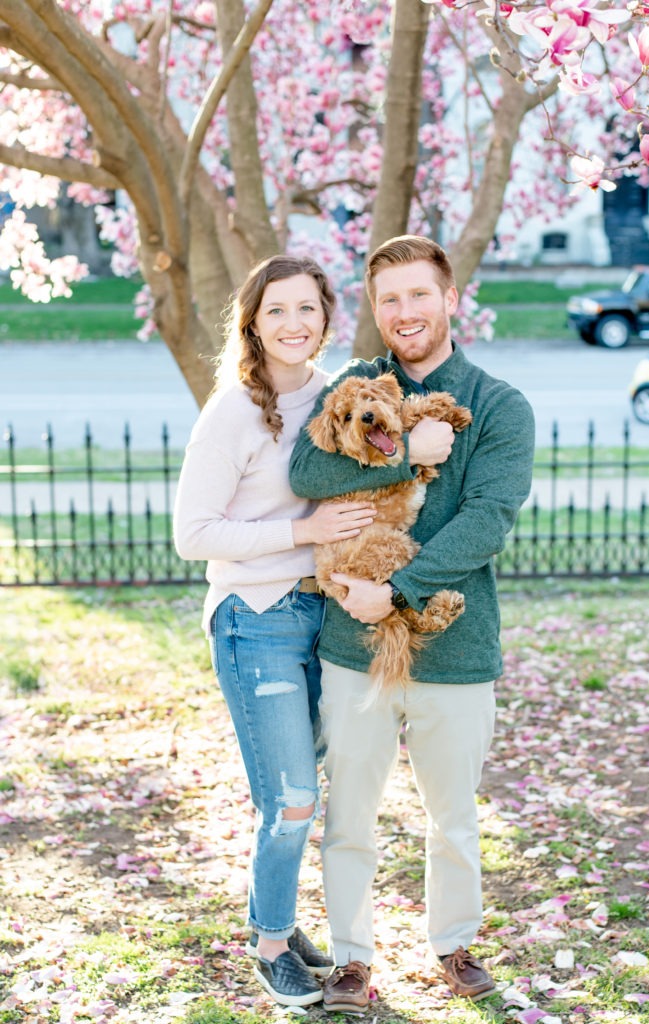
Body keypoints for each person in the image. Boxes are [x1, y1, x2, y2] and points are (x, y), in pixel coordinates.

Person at [289, 235, 535, 1012]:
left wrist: (394, 589)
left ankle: (454, 945)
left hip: (456, 647)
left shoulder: (499, 405)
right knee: (350, 812)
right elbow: (306, 471)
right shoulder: (357, 386)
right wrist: (404, 455)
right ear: (374, 308)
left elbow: (487, 520)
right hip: (351, 649)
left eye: (418, 295)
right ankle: (353, 960)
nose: (404, 313)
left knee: (452, 818)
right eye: (388, 299)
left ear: (450, 298)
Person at [173, 254, 376, 1008]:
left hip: (324, 614)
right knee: (291, 797)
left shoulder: (334, 397)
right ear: (253, 323)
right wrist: (304, 531)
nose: (295, 324)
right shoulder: (233, 411)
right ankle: (269, 948)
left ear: (327, 315)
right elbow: (194, 534)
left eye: (308, 309)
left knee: (303, 787)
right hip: (253, 619)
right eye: (277, 311)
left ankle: (278, 921)